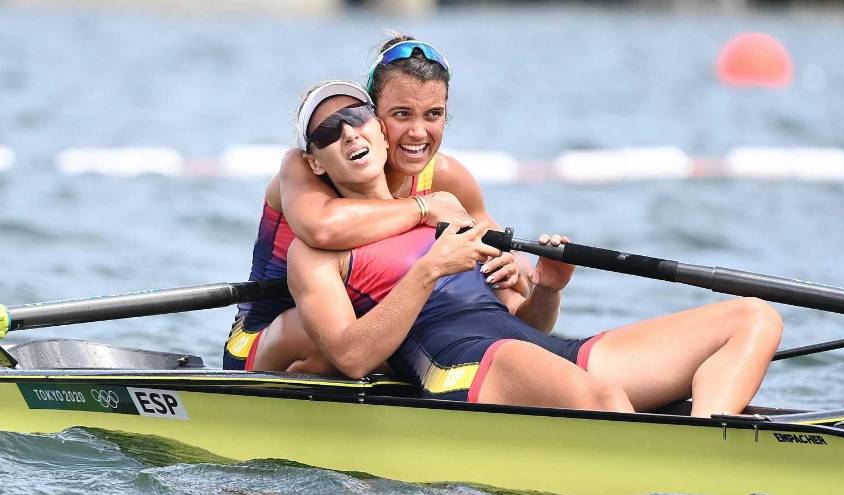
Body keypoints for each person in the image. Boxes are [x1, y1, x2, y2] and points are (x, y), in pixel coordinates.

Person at [285, 81, 782, 417]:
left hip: (533, 348)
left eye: (357, 116)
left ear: (378, 128)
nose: (349, 131)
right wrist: (428, 271)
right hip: (462, 362)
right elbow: (351, 358)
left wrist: (546, 289)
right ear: (317, 163)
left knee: (754, 319)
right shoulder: (316, 251)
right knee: (606, 400)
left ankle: (707, 444)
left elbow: (529, 323)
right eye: (329, 130)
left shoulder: (446, 204)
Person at [224, 36, 528, 373]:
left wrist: (522, 275)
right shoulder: (307, 163)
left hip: (377, 331)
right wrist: (424, 208)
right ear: (377, 117)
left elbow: (515, 288)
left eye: (432, 115)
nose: (417, 132)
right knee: (342, 334)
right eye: (402, 114)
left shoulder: (447, 177)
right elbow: (321, 228)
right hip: (271, 336)